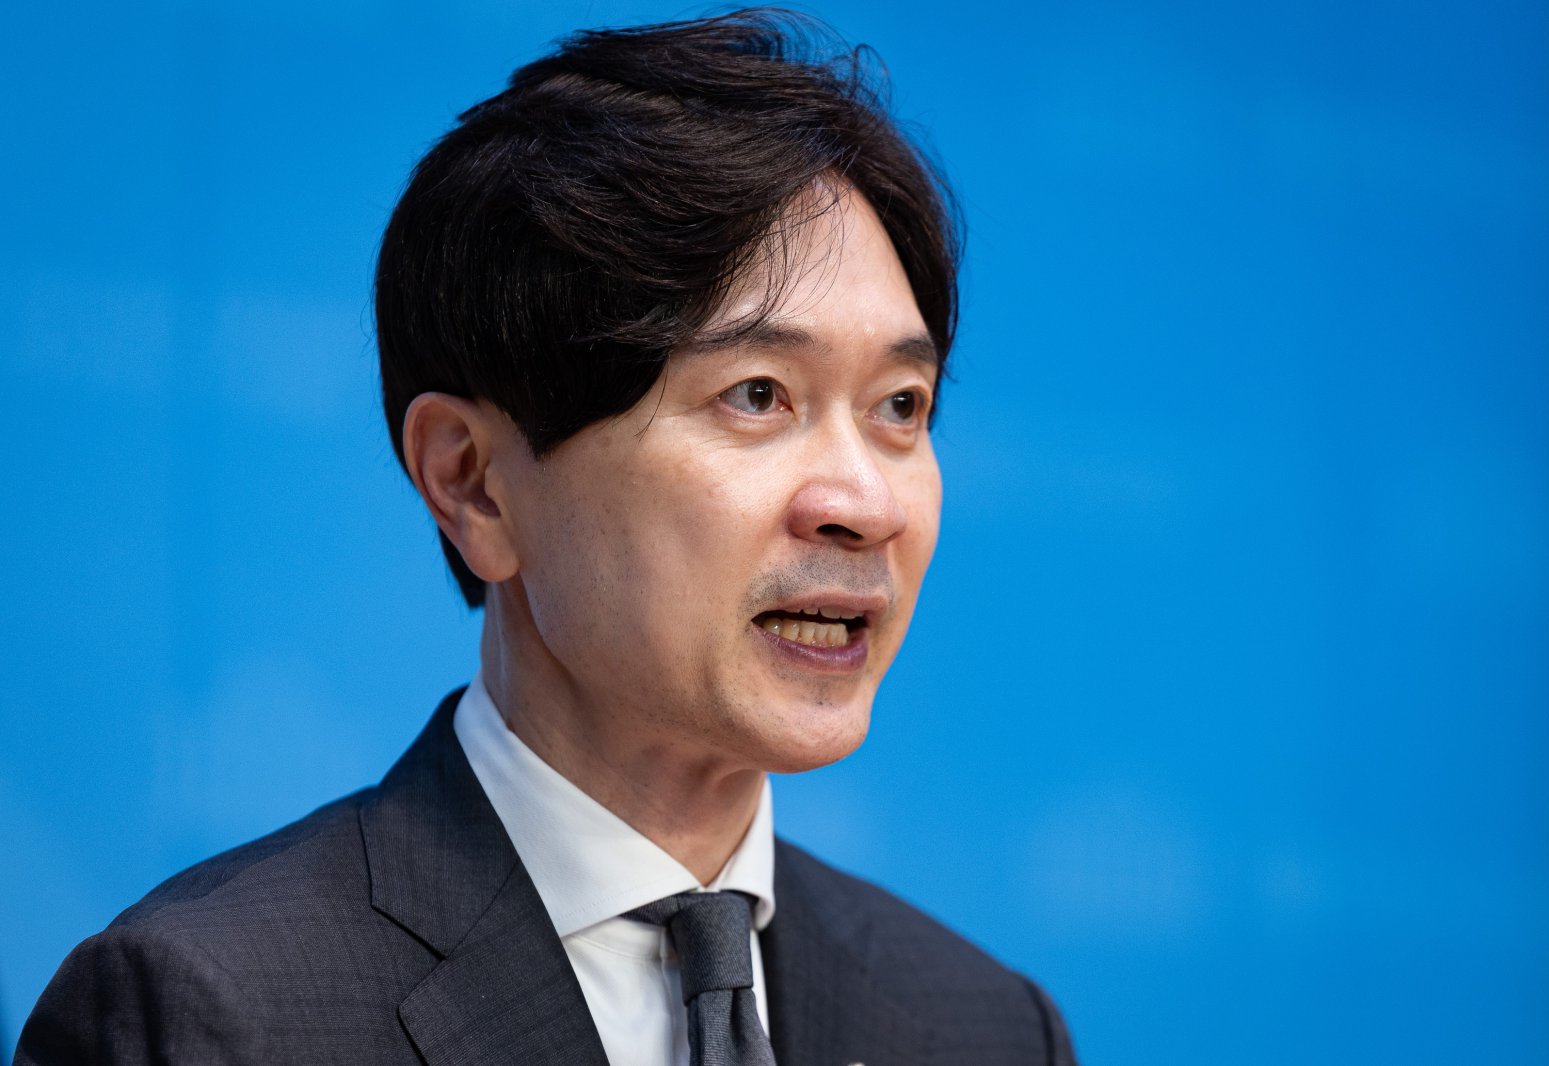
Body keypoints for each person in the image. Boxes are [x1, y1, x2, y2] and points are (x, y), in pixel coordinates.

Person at [15, 9, 1076, 1065]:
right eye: (757, 393)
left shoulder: (987, 1029)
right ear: (473, 483)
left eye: (900, 406)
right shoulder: (205, 1015)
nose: (867, 504)